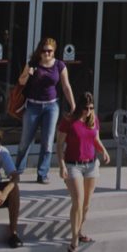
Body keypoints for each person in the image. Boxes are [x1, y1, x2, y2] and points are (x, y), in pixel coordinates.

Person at [56, 92, 112, 252]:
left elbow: (95, 139)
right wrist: (61, 165)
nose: (88, 111)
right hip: (73, 165)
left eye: (91, 108)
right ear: (79, 107)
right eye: (86, 108)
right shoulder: (68, 121)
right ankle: (74, 239)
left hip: (91, 164)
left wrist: (104, 151)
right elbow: (59, 145)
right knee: (78, 202)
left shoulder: (93, 119)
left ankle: (79, 232)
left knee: (86, 204)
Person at [17, 37, 76, 184]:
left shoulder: (59, 65)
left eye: (49, 51)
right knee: (26, 140)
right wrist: (27, 73)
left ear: (54, 51)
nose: (46, 54)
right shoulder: (33, 64)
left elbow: (66, 86)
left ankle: (42, 173)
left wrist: (73, 105)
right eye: (43, 51)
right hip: (33, 105)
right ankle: (16, 171)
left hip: (51, 107)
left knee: (47, 141)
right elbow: (21, 82)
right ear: (40, 51)